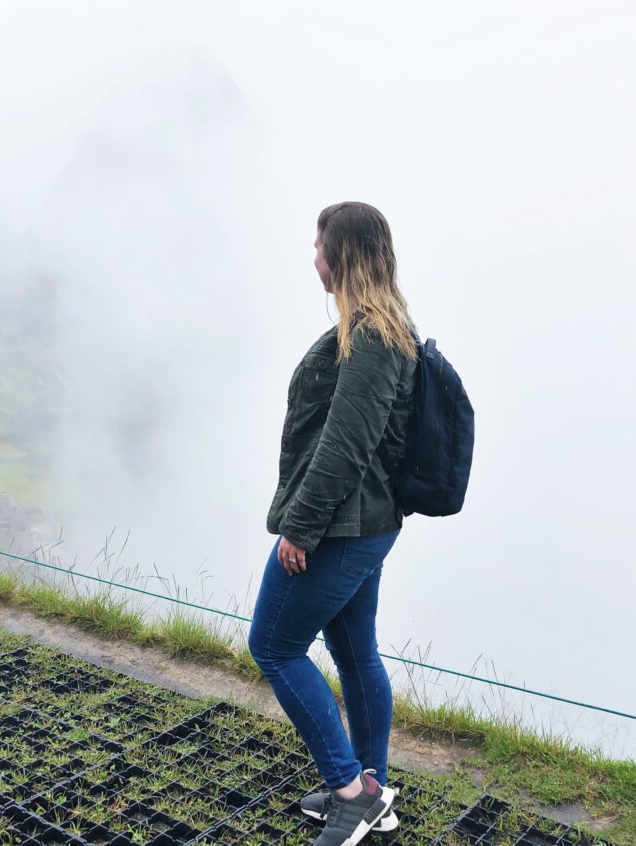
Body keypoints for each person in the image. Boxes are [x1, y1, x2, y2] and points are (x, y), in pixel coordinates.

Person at [249, 201, 418, 846]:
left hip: (341, 530)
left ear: (340, 256)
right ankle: (372, 790)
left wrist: (300, 527)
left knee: (274, 645)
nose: (312, 258)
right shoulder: (376, 326)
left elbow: (345, 446)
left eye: (319, 247)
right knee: (352, 653)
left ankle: (353, 794)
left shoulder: (372, 336)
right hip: (364, 526)